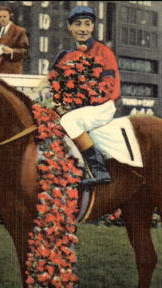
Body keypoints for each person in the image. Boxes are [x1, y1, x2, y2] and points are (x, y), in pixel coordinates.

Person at [49, 6, 121, 186]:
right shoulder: (66, 56)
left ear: (93, 27)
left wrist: (80, 103)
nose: (83, 28)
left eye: (87, 24)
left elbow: (109, 87)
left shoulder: (103, 52)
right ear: (69, 27)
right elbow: (55, 86)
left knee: (69, 121)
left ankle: (99, 170)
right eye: (78, 24)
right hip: (78, 109)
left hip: (101, 107)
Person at [0, 6, 29, 74]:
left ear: (10, 17)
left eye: (4, 16)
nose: (2, 19)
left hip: (11, 71)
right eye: (0, 17)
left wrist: (11, 51)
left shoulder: (19, 31)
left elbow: (25, 51)